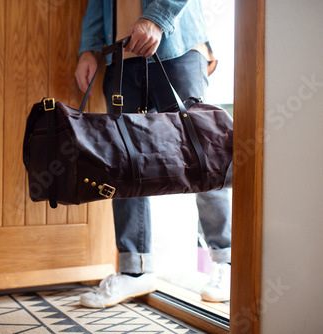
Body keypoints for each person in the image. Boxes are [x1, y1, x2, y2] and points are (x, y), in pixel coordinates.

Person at [75, 0, 232, 308]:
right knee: (123, 163)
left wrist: (156, 19)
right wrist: (88, 49)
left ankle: (225, 263)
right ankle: (135, 270)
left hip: (179, 48)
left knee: (205, 157)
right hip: (120, 55)